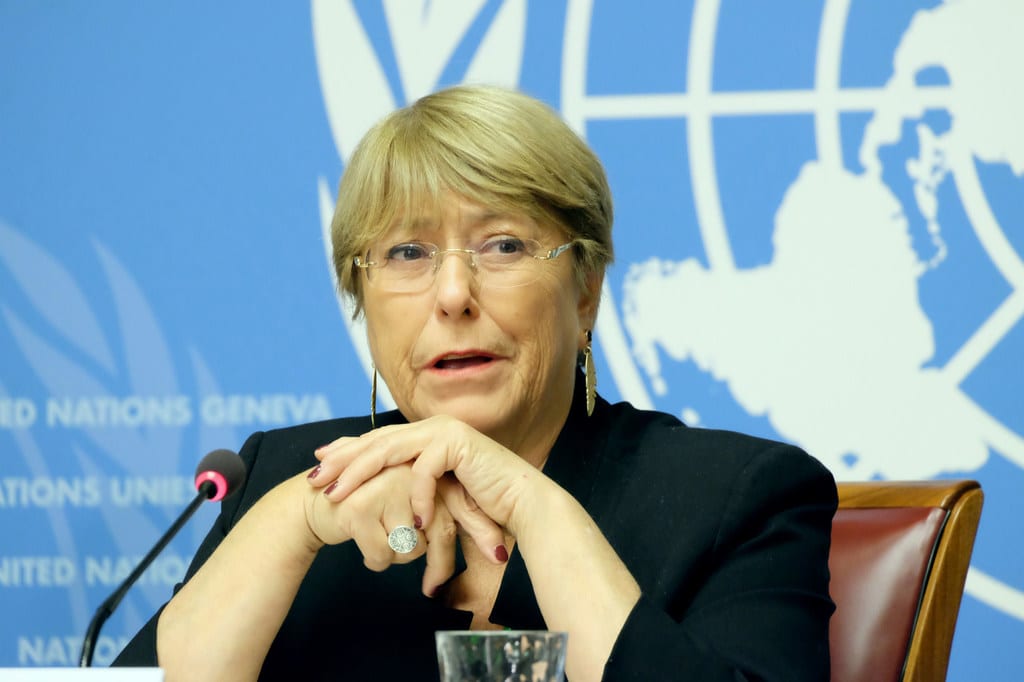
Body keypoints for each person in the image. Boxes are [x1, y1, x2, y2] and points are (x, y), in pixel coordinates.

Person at [114, 85, 836, 681]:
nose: (454, 295)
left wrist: (535, 509)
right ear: (361, 301)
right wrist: (294, 520)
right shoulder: (280, 477)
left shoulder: (734, 499)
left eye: (503, 245)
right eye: (408, 252)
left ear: (585, 290)